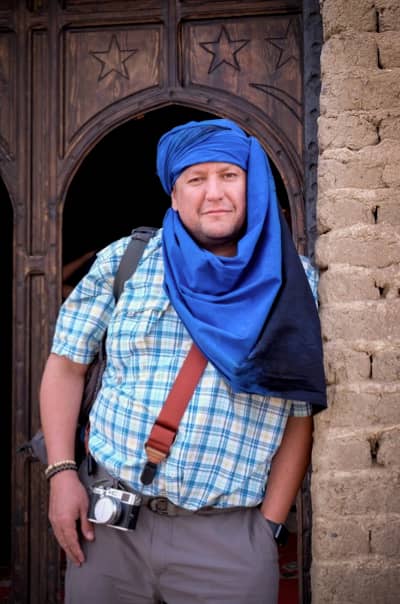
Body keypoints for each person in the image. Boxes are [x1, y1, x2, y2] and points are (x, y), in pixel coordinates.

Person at [40, 118, 326, 604]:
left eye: (229, 176)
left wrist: (268, 528)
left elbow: (300, 414)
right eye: (196, 179)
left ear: (253, 186)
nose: (214, 193)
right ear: (174, 195)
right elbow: (66, 367)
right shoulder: (126, 261)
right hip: (109, 528)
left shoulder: (294, 283)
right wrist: (62, 474)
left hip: (228, 542)